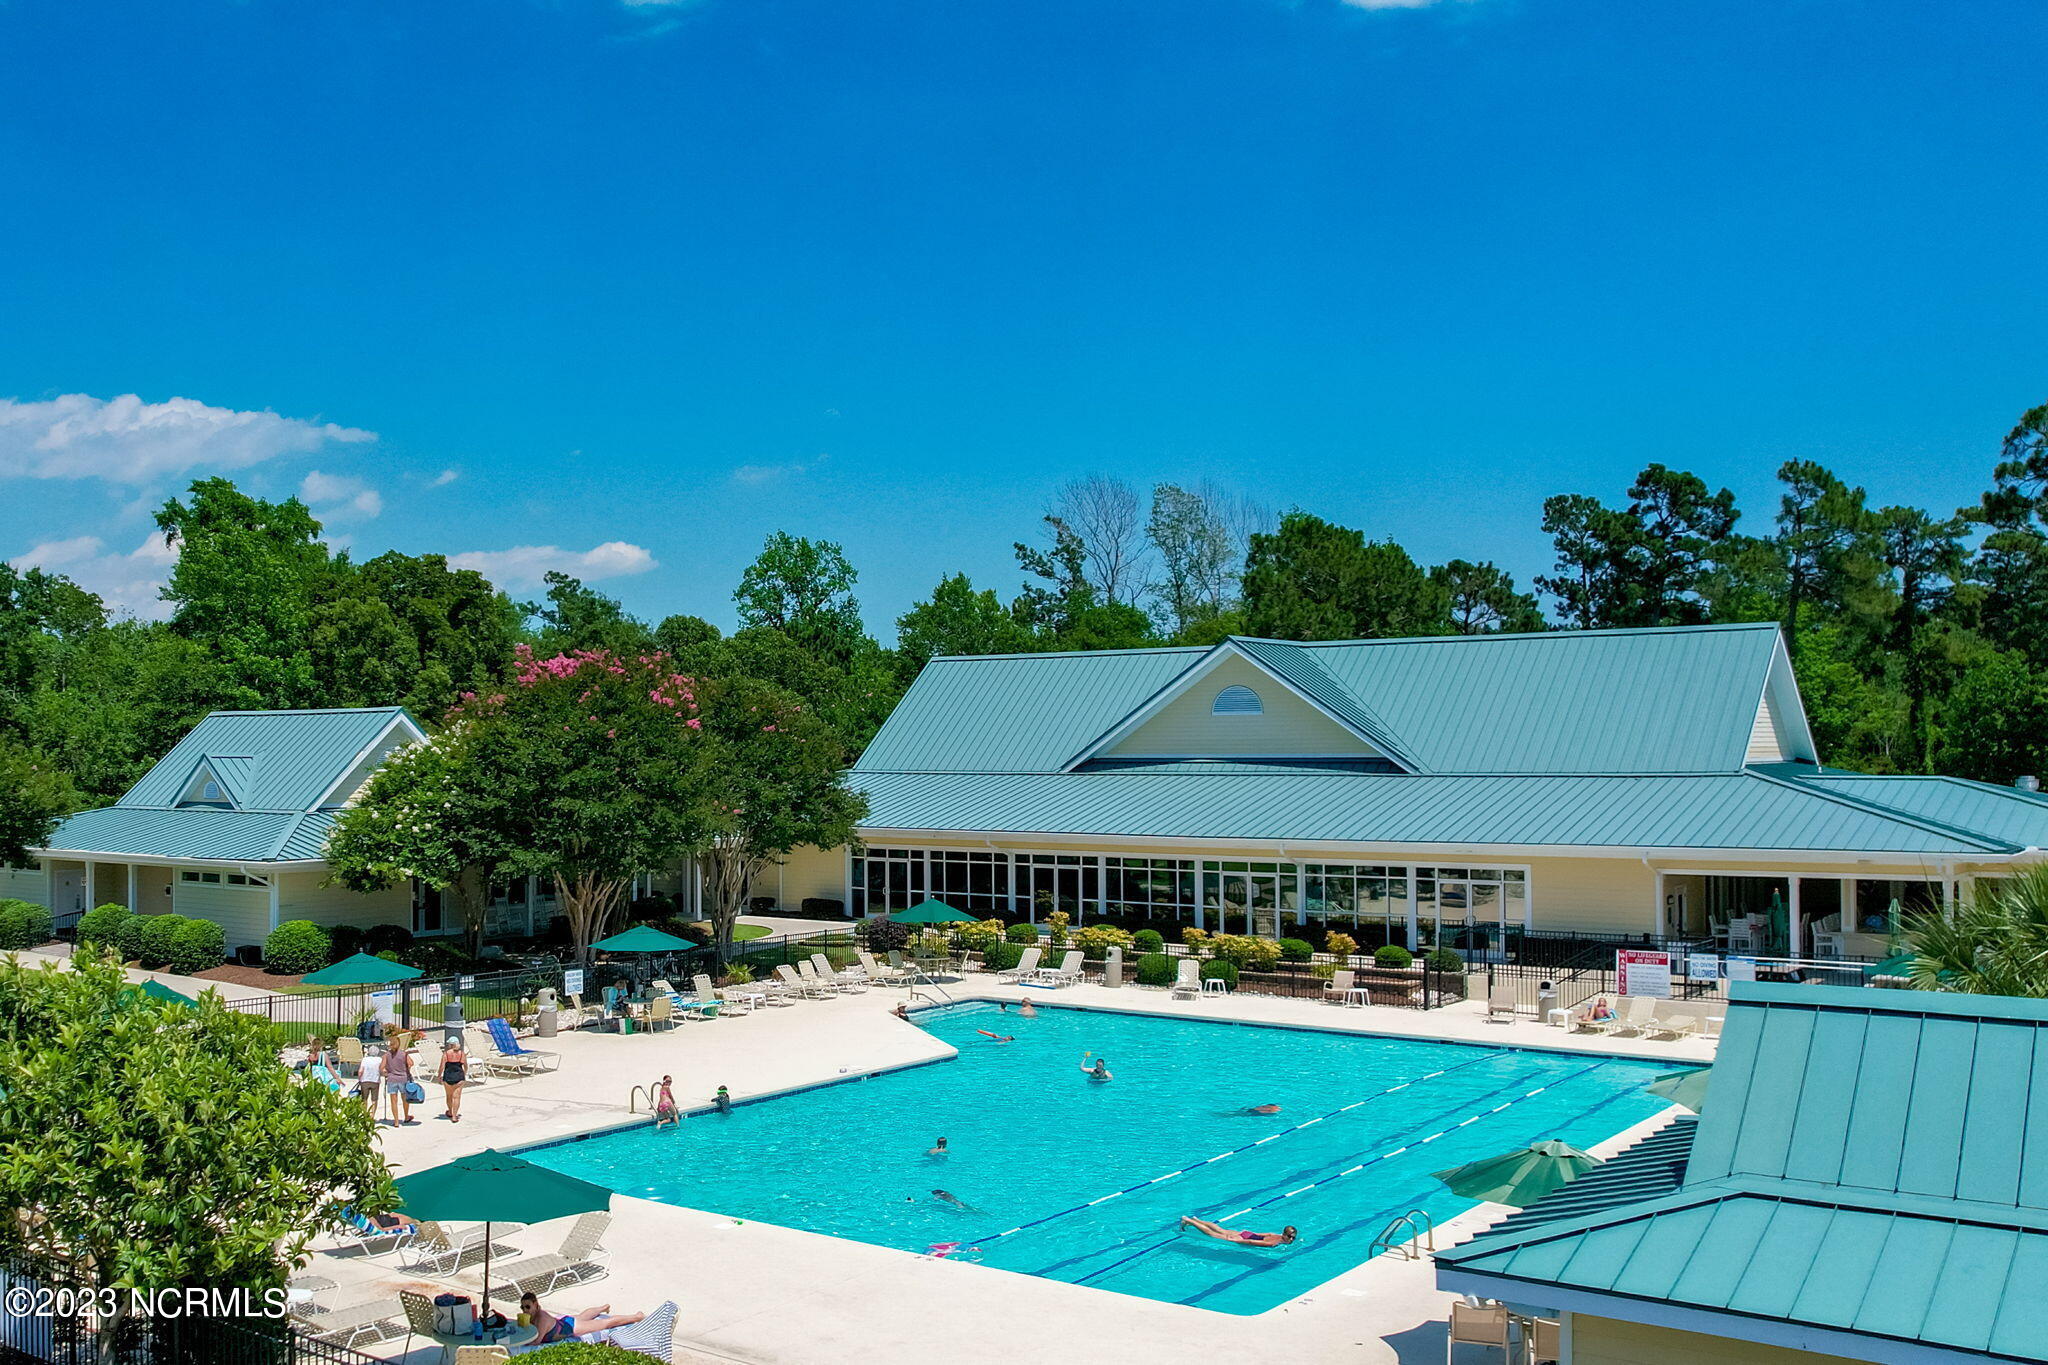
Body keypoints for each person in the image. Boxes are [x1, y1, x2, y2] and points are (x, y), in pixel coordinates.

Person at [520, 1292, 645, 1345]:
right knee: (581, 1316)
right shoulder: (533, 1315)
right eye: (522, 1307)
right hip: (564, 1321)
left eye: (527, 1307)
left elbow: (536, 1342)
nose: (525, 1310)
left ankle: (637, 1316)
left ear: (536, 1305)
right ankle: (602, 1308)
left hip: (571, 1329)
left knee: (606, 1323)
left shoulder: (541, 1318)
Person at [1180, 1216, 1298, 1248]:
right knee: (1213, 1234)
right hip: (1246, 1238)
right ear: (1283, 1234)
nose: (1291, 1239)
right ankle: (1189, 1221)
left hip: (1249, 1234)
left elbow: (1264, 1235)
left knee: (1221, 1229)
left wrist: (1249, 1233)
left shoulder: (1275, 1235)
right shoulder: (1273, 1243)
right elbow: (1252, 1242)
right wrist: (1239, 1240)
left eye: (1293, 1237)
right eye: (1289, 1236)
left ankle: (1197, 1220)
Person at [383, 1032, 416, 1126]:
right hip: (403, 1078)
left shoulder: (387, 1055)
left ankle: (396, 1121)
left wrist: (386, 1071)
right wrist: (406, 1069)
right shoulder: (403, 1054)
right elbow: (411, 1063)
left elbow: (382, 1067)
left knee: (393, 1101)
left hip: (391, 1079)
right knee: (405, 1099)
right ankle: (406, 1116)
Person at [439, 1036, 467, 1123]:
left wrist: (439, 1075)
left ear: (450, 1045)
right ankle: (454, 1116)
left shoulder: (446, 1054)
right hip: (459, 1077)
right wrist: (464, 1073)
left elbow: (442, 1067)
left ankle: (450, 1112)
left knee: (449, 1096)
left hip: (448, 1077)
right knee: (457, 1097)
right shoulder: (462, 1054)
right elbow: (465, 1065)